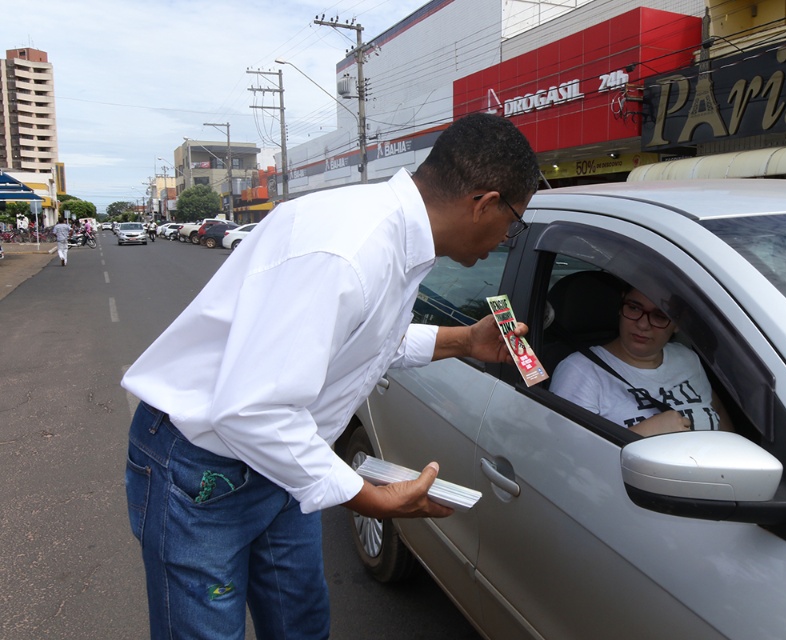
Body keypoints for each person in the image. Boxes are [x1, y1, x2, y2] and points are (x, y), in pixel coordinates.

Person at [121, 112, 540, 639]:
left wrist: (466, 341)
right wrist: (369, 496)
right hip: (201, 463)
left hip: (281, 461)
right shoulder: (350, 251)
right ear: (484, 203)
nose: (507, 239)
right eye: (515, 221)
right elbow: (251, 409)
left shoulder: (400, 243)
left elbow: (365, 342)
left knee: (301, 625)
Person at [551, 285, 732, 436]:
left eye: (659, 315)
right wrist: (641, 434)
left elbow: (717, 411)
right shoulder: (580, 370)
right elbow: (567, 457)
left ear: (678, 323)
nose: (643, 325)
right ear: (621, 307)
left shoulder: (687, 358)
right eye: (634, 308)